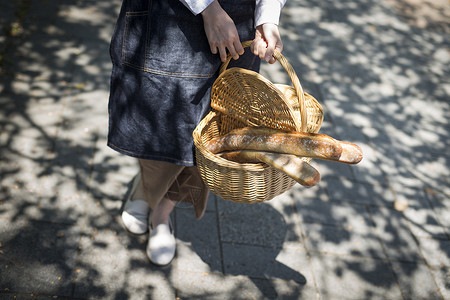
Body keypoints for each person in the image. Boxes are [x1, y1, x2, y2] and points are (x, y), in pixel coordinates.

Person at [107, 0, 287, 266]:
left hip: (241, 17)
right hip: (172, 13)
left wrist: (268, 17)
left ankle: (161, 213)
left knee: (215, 131)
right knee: (162, 116)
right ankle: (146, 189)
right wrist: (208, 9)